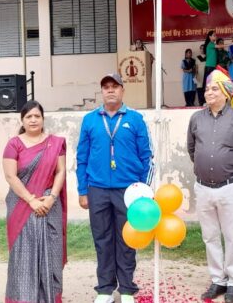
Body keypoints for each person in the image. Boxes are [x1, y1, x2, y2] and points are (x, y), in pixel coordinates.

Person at [76, 73, 153, 303]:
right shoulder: (90, 120)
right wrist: (82, 190)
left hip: (128, 191)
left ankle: (127, 289)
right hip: (97, 189)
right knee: (102, 239)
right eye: (106, 87)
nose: (110, 90)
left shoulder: (136, 119)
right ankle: (105, 289)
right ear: (102, 92)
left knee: (127, 239)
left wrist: (144, 191)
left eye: (115, 87)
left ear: (122, 91)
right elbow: (82, 157)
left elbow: (147, 156)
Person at [187, 69, 233, 303]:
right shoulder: (196, 118)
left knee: (232, 235)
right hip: (203, 187)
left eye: (214, 88)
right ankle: (218, 280)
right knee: (210, 236)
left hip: (230, 187)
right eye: (207, 88)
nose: (208, 92)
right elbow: (192, 149)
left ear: (226, 92)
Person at [3, 100, 68, 303]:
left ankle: (50, 297)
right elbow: (10, 176)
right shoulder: (14, 144)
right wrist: (31, 200)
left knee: (52, 252)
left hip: (50, 204)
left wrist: (51, 198)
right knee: (24, 255)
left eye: (37, 116)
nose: (33, 120)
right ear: (22, 120)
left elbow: (60, 171)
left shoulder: (55, 142)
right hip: (22, 204)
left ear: (42, 119)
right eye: (28, 116)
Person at [201, 31, 225, 106]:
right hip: (209, 67)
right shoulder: (210, 44)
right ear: (210, 37)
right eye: (214, 35)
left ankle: (210, 101)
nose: (215, 37)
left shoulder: (212, 44)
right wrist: (232, 43)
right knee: (207, 85)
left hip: (212, 67)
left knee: (212, 85)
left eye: (216, 35)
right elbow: (220, 46)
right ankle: (205, 102)